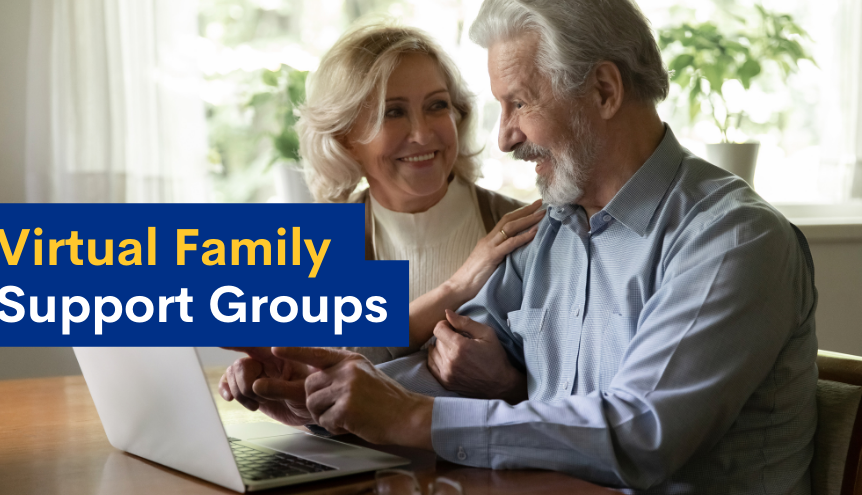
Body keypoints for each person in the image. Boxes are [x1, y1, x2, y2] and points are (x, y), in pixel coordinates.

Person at [220, 0, 819, 492]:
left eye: (519, 103)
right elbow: (440, 371)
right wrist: (322, 398)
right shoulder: (549, 228)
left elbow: (642, 434)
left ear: (605, 91)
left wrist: (408, 416)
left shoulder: (733, 239)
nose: (503, 136)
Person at [219, 23, 543, 415]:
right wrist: (280, 389)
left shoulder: (521, 229)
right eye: (393, 113)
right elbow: (324, 394)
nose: (423, 134)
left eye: (437, 105)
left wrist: (508, 384)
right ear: (345, 139)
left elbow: (572, 396)